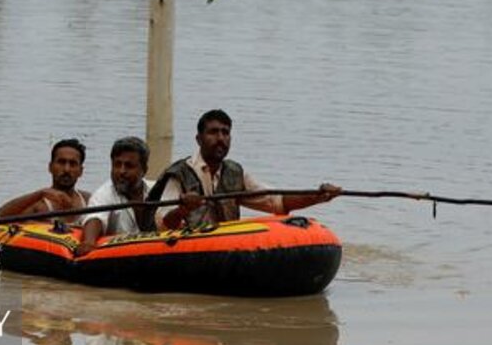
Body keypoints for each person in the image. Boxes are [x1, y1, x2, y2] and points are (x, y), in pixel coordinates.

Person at [148, 109, 341, 230]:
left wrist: (318, 195)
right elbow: (163, 223)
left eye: (226, 132)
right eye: (213, 132)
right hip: (187, 249)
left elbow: (277, 202)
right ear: (199, 139)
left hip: (227, 249)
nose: (221, 138)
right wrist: (183, 209)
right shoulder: (179, 173)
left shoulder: (235, 173)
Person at [76, 137, 154, 256]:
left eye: (129, 166)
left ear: (144, 170)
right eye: (117, 165)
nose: (121, 171)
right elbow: (95, 218)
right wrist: (89, 242)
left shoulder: (156, 190)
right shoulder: (103, 194)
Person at [0, 138, 90, 223]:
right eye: (61, 162)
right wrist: (40, 194)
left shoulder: (88, 200)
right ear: (50, 167)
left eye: (73, 164)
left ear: (80, 171)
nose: (66, 169)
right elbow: (2, 214)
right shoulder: (40, 205)